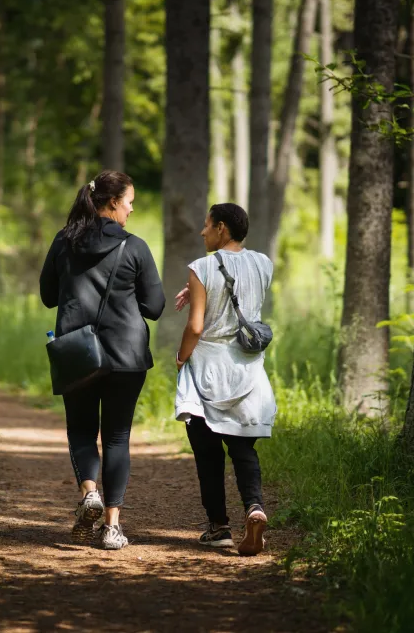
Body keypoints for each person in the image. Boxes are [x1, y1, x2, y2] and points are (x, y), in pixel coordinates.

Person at [40, 170, 166, 550]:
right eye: (129, 202)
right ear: (112, 202)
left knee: (80, 430)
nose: (130, 209)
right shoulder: (136, 247)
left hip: (78, 353)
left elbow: (48, 295)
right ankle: (112, 527)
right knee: (116, 436)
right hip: (126, 355)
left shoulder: (65, 241)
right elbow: (155, 308)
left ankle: (89, 493)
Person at [173, 203, 276, 556]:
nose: (202, 232)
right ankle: (255, 506)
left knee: (208, 454)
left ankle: (219, 528)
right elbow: (242, 301)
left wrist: (181, 357)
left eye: (206, 226)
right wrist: (198, 289)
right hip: (247, 368)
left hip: (209, 368)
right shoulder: (264, 264)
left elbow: (197, 326)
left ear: (221, 228)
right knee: (243, 447)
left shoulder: (201, 266)